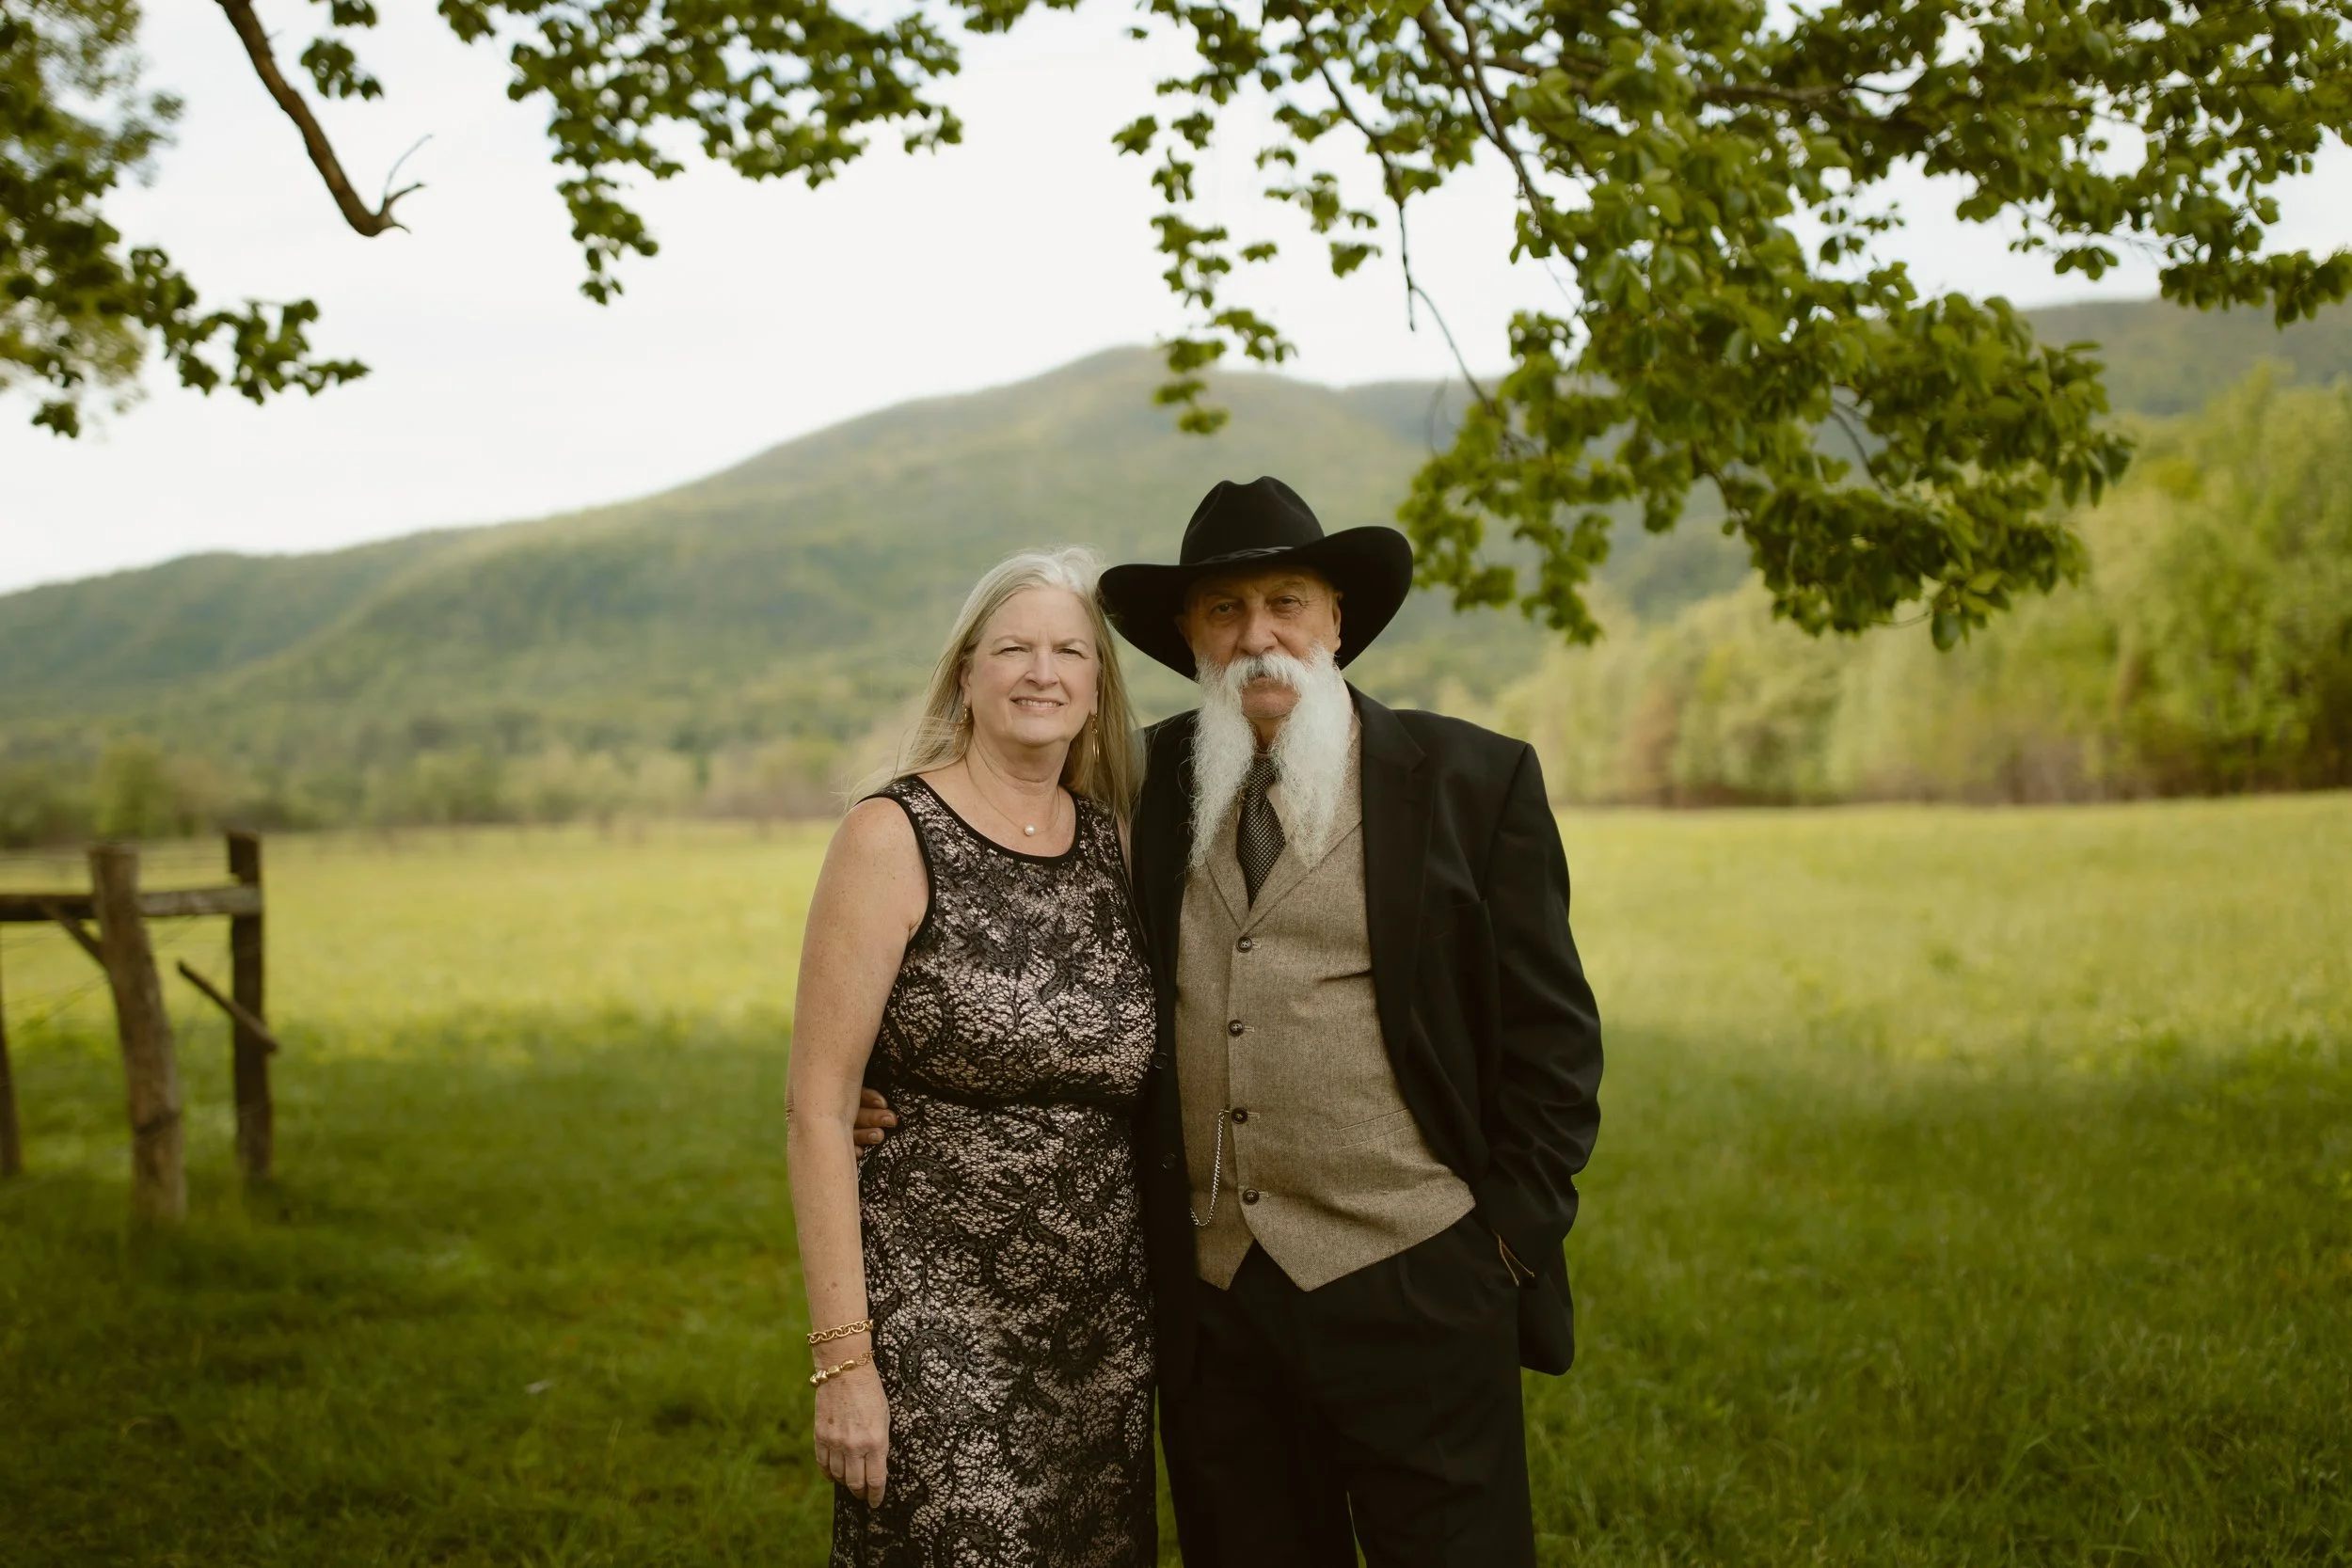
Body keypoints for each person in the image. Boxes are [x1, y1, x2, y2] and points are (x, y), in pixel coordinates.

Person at [1097, 476, 1605, 1567]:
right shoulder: (1136, 782)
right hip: (1215, 1294)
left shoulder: (1475, 778)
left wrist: (1501, 1246)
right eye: (1224, 610)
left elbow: (1553, 1041)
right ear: (1189, 633)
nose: (1257, 635)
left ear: (1336, 621)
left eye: (1287, 601)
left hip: (1419, 1275)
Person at [786, 547, 1158, 1568]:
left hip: (1104, 1333)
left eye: (1068, 651)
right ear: (966, 674)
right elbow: (818, 1108)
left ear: (1095, 688)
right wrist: (845, 1364)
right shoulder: (891, 832)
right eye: (1014, 648)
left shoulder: (1121, 847)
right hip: (935, 1319)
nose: (1042, 671)